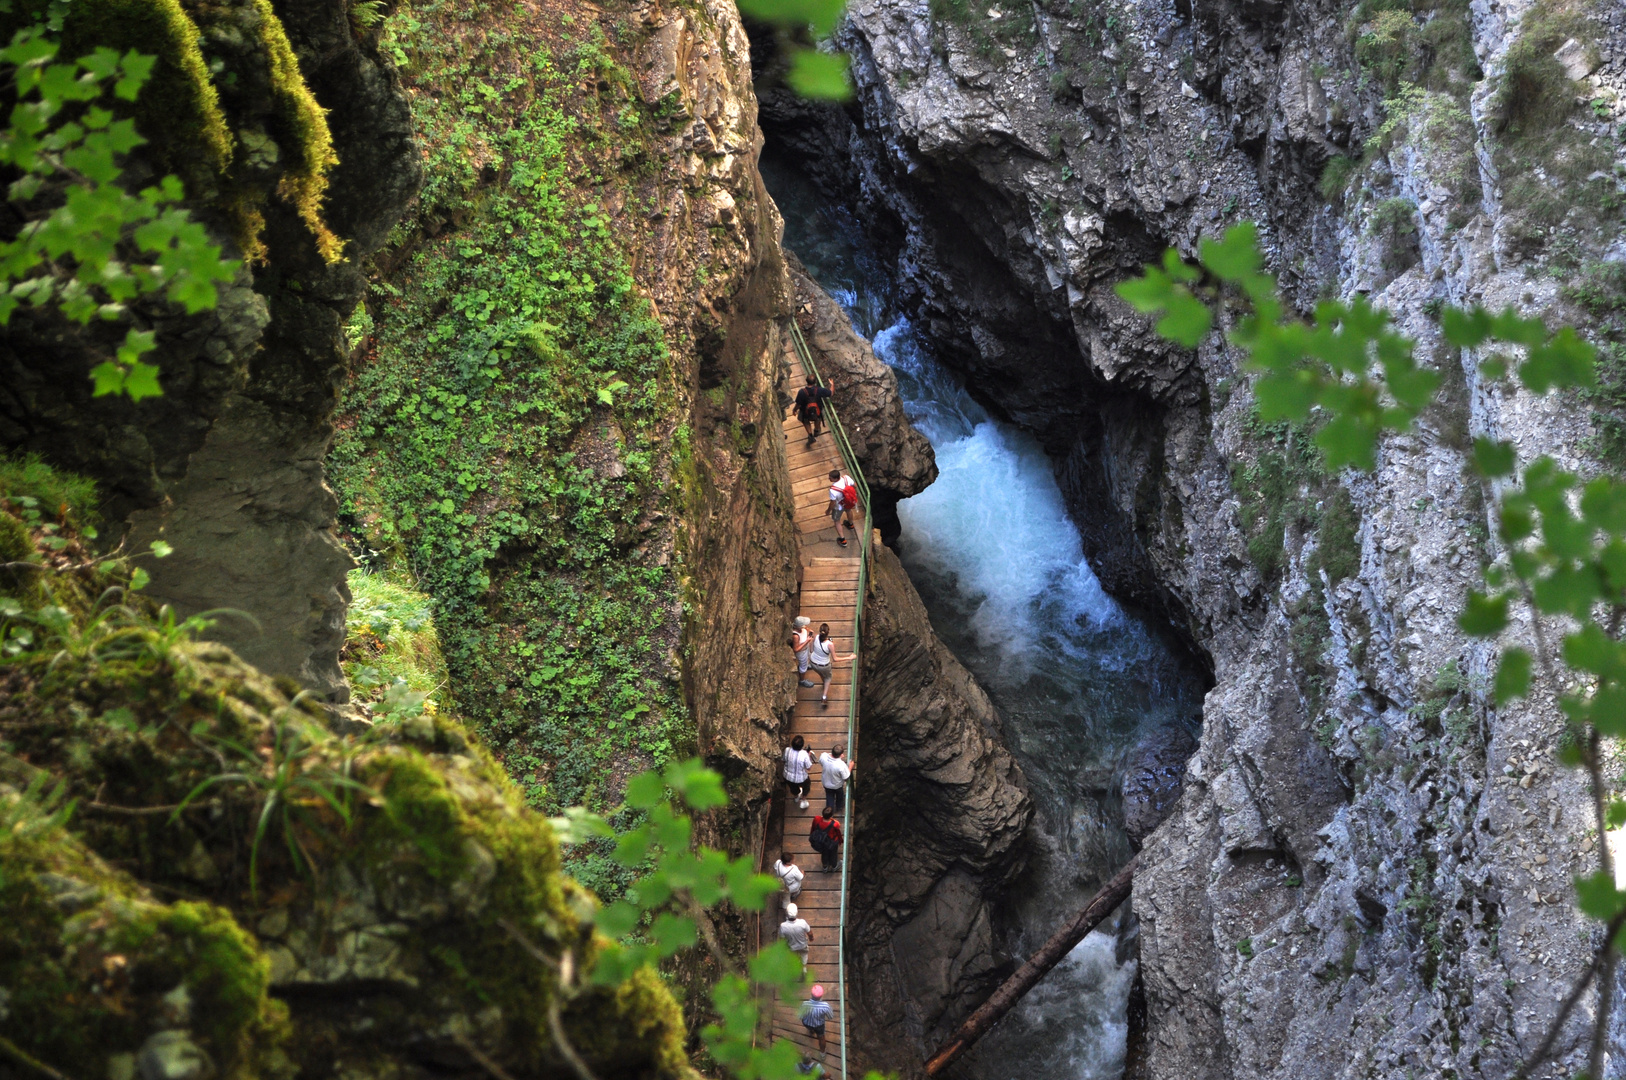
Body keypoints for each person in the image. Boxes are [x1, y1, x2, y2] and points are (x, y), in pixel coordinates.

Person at [806, 624, 855, 706]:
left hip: (813, 663)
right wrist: (849, 657)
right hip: (824, 665)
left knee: (821, 674)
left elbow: (811, 649)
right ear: (828, 632)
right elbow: (835, 659)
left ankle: (823, 682)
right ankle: (824, 697)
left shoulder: (816, 637)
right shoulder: (830, 644)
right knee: (828, 677)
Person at [791, 374, 833, 445]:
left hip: (805, 412)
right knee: (818, 417)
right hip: (817, 411)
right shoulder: (819, 390)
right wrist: (832, 384)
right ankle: (816, 430)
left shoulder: (802, 392)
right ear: (815, 382)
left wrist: (794, 410)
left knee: (805, 420)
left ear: (806, 381)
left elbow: (798, 404)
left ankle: (810, 436)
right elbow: (831, 393)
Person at [818, 744, 853, 816]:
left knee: (829, 796)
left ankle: (829, 813)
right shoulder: (841, 765)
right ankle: (839, 807)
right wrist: (850, 767)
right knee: (840, 796)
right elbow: (846, 778)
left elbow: (821, 762)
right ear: (840, 755)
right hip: (837, 785)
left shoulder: (823, 756)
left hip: (826, 783)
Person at [826, 469, 858, 547]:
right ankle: (851, 525)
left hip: (839, 507)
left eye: (830, 478)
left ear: (836, 479)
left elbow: (833, 502)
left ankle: (843, 540)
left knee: (837, 521)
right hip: (848, 503)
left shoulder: (833, 490)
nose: (829, 479)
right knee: (849, 511)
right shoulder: (846, 478)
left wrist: (828, 510)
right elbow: (855, 485)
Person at [799, 985, 833, 1055]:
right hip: (819, 1026)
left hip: (807, 1023)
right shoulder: (825, 1006)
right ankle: (822, 1053)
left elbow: (800, 1016)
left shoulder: (805, 1004)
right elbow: (830, 1017)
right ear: (821, 996)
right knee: (821, 1038)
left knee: (810, 1028)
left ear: (811, 994)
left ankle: (811, 1031)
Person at [783, 735, 814, 809]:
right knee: (806, 786)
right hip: (801, 778)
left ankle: (796, 797)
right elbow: (809, 767)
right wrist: (809, 756)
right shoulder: (804, 754)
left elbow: (783, 760)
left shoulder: (787, 750)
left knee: (793, 788)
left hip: (787, 776)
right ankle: (803, 801)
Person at [779, 902, 813, 969]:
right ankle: (804, 967)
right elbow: (809, 933)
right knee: (804, 955)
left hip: (792, 947)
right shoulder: (802, 923)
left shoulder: (783, 926)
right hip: (803, 945)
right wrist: (811, 938)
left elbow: (782, 938)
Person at [789, 615, 815, 688]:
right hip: (801, 652)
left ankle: (807, 665)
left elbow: (805, 627)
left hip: (806, 648)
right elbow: (796, 649)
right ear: (798, 626)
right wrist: (807, 641)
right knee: (803, 666)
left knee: (807, 659)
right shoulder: (796, 636)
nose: (804, 626)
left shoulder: (802, 627)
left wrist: (809, 630)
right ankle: (802, 680)